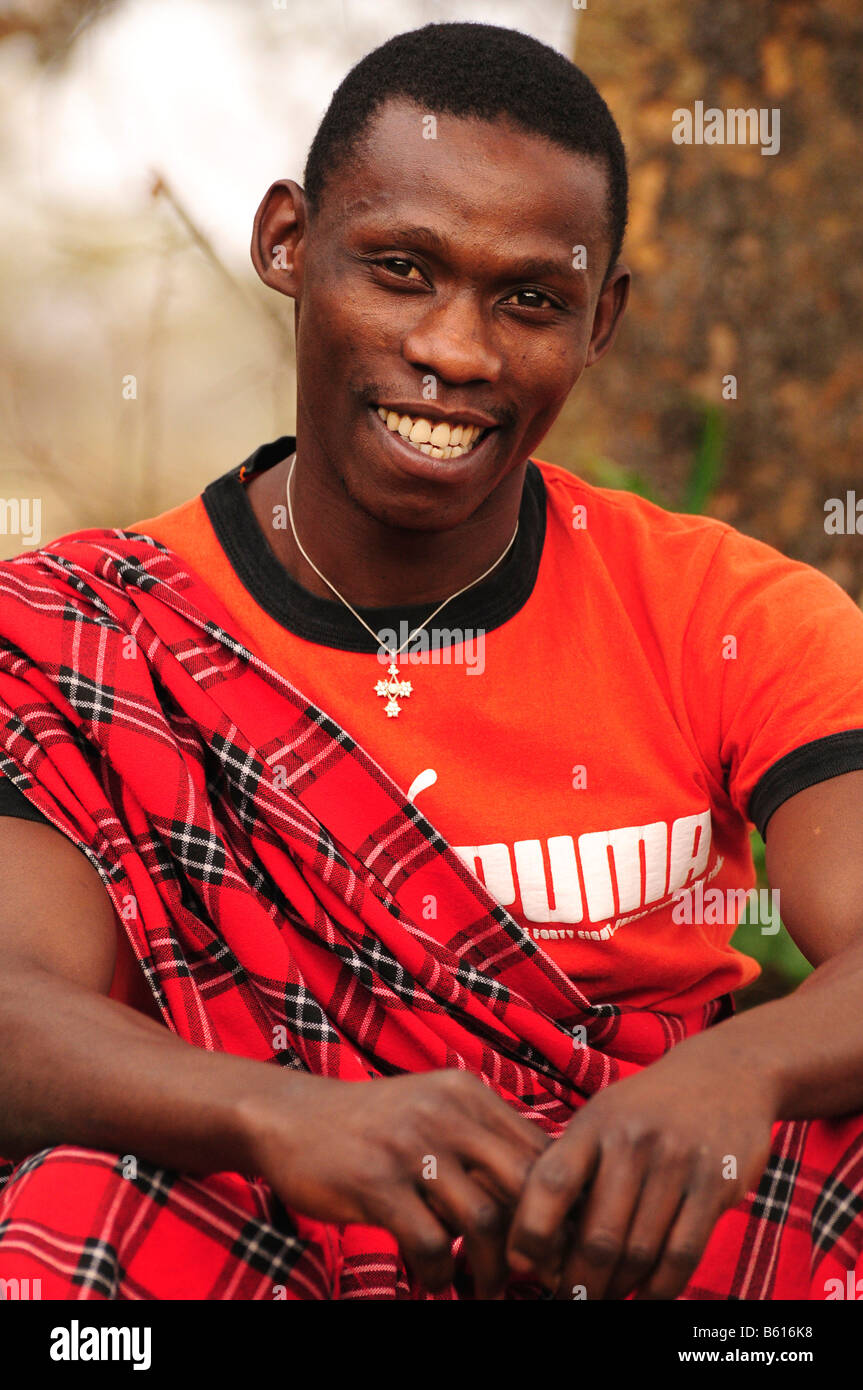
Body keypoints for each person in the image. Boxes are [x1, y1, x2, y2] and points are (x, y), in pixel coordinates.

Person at [0, 21, 862, 1303]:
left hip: (635, 1238)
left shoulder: (721, 609)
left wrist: (736, 1073)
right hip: (270, 1222)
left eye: (529, 300)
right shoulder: (88, 630)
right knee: (71, 1217)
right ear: (287, 242)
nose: (456, 351)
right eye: (400, 270)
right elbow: (16, 1001)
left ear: (600, 319)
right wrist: (274, 1114)